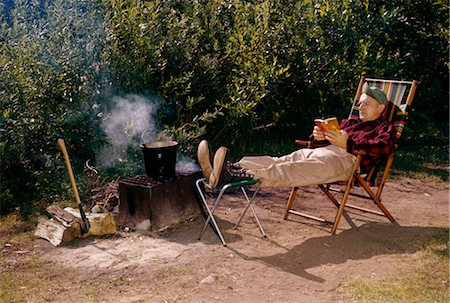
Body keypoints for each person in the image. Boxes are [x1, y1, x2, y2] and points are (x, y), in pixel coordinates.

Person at [198, 83, 396, 188]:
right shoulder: (351, 122)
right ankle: (232, 167)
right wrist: (319, 136)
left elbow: (385, 148)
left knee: (291, 169)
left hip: (346, 162)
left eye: (367, 104)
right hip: (323, 152)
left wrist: (349, 143)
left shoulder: (384, 128)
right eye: (360, 103)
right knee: (278, 160)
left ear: (381, 107)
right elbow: (327, 139)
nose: (361, 107)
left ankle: (234, 176)